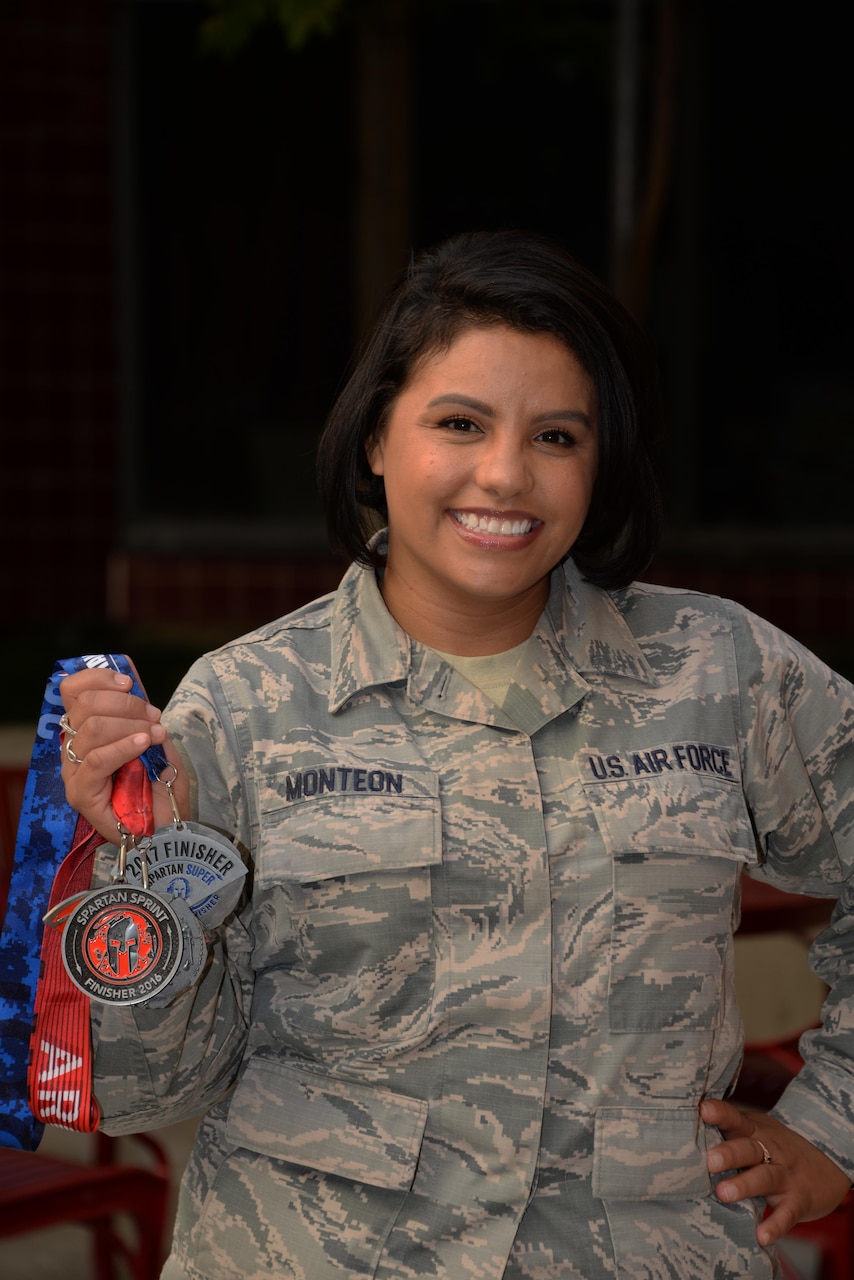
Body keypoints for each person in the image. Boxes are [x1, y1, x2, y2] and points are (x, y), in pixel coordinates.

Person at [58, 229, 853, 1280]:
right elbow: (143, 1094)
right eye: (458, 422)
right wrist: (132, 867)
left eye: (557, 436)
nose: (504, 474)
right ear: (376, 438)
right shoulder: (244, 705)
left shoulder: (718, 671)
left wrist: (831, 1126)